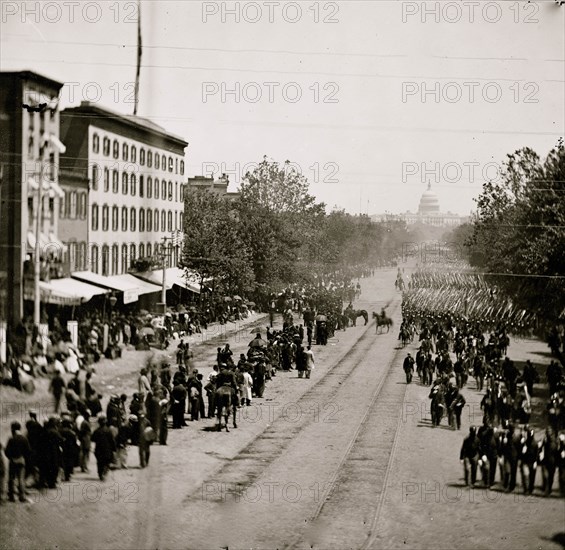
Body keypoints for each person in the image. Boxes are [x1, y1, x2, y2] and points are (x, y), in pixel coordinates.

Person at [4, 422, 30, 502]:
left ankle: (11, 496)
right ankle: (22, 496)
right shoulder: (24, 438)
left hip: (12, 460)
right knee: (21, 479)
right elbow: (28, 451)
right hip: (21, 460)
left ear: (13, 429)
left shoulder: (11, 439)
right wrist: (23, 457)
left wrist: (10, 457)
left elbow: (6, 451)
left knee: (11, 479)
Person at [91, 415, 116, 481]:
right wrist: (114, 449)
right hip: (107, 450)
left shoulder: (96, 431)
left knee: (100, 462)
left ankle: (100, 474)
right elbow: (112, 441)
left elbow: (93, 439)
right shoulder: (109, 431)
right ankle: (104, 473)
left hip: (99, 450)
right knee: (107, 462)